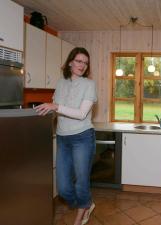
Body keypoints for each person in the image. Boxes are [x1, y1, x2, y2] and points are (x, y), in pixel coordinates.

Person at [35, 47, 97, 225]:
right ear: (70, 62)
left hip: (83, 137)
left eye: (85, 63)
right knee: (63, 188)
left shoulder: (89, 85)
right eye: (79, 61)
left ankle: (79, 216)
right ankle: (86, 203)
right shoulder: (61, 82)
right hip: (63, 137)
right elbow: (54, 108)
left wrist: (55, 107)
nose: (82, 65)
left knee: (81, 182)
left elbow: (81, 114)